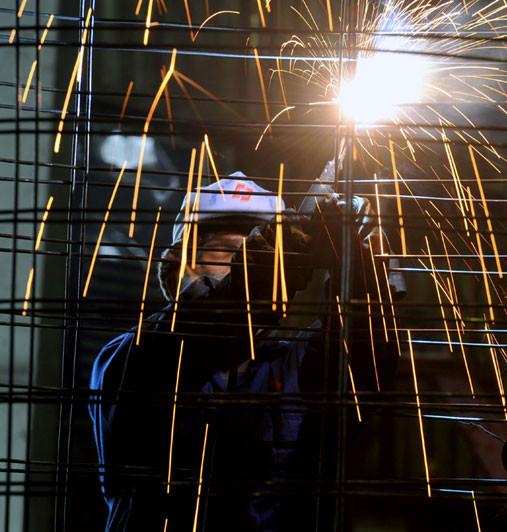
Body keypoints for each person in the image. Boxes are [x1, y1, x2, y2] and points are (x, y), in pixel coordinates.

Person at [89, 167, 404, 531]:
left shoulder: (297, 366)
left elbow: (367, 349)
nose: (245, 262)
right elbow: (213, 324)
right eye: (230, 252)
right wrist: (277, 258)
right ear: (182, 268)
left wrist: (362, 264)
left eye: (255, 249)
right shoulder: (133, 356)